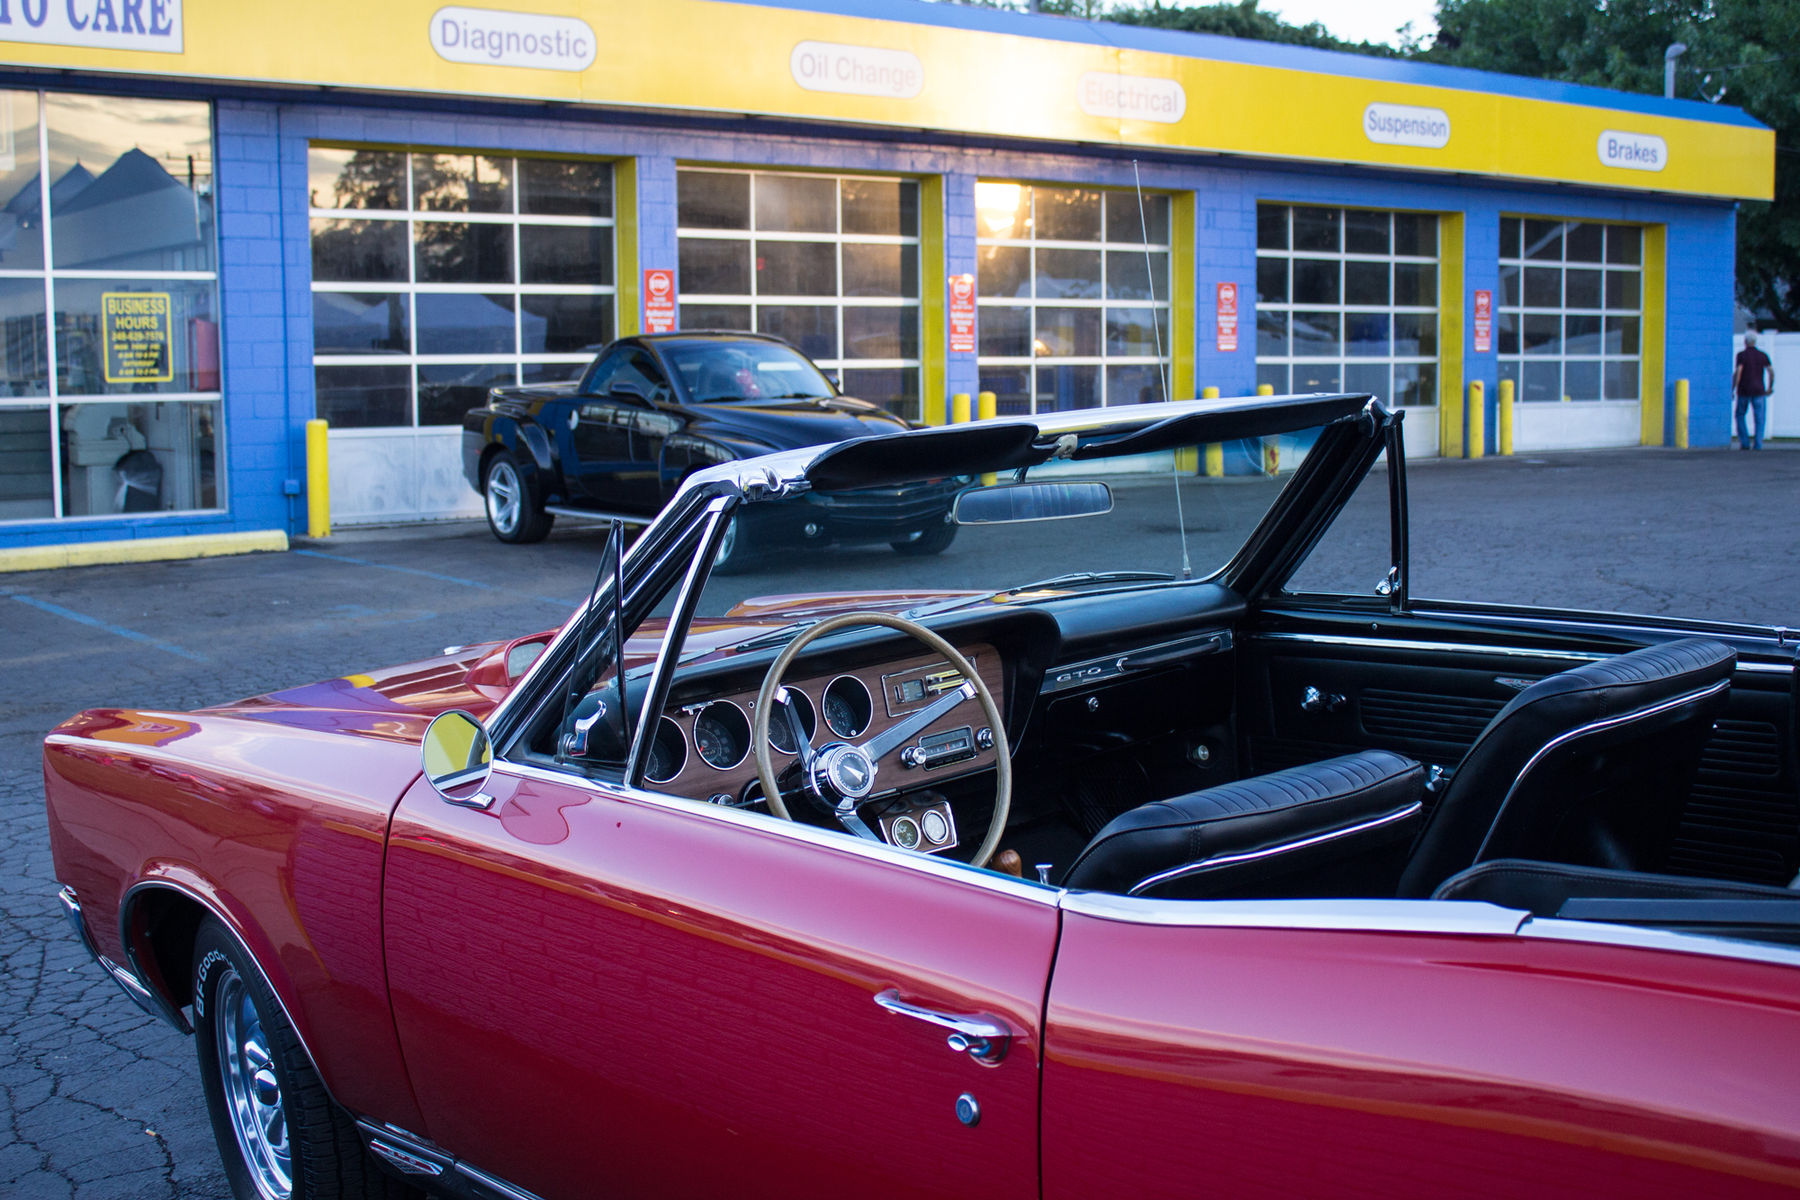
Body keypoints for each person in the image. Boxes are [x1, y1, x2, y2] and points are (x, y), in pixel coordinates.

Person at [1732, 331, 1774, 450]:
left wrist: (1734, 387)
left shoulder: (1741, 355)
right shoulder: (1763, 355)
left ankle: (1745, 442)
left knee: (1740, 415)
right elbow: (1771, 372)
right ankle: (1758, 444)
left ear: (1745, 342)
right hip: (1759, 390)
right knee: (1759, 418)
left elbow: (1739, 371)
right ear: (1755, 342)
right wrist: (1770, 387)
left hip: (1744, 390)